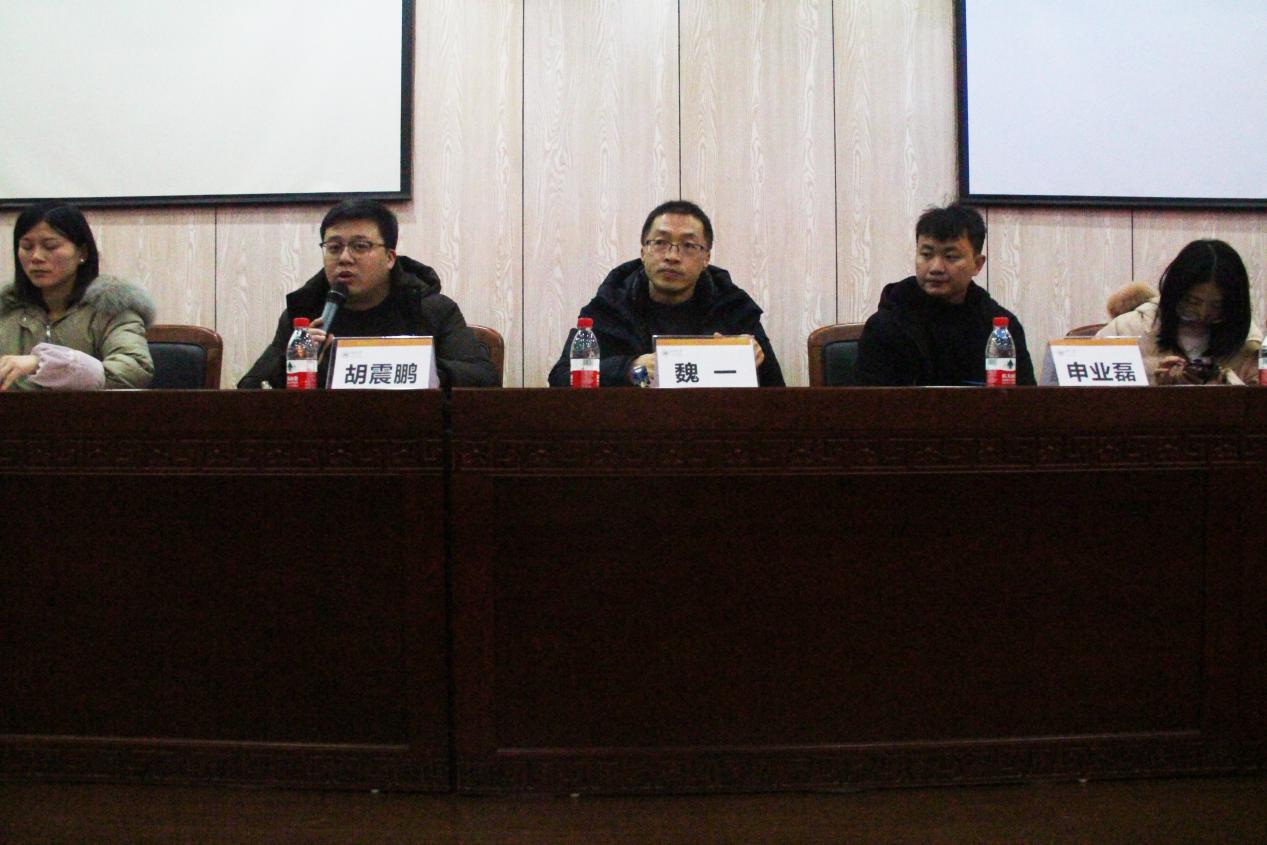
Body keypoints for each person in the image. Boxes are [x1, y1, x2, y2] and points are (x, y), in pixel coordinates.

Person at [238, 199, 496, 388]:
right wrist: (295, 364)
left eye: (360, 246)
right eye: (334, 247)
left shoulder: (430, 309)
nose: (344, 258)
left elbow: (484, 378)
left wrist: (417, 370)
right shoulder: (306, 313)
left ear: (390, 258)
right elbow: (250, 387)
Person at [547, 200, 784, 386]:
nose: (672, 256)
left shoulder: (733, 309)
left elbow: (776, 396)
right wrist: (630, 370)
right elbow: (561, 377)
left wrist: (754, 360)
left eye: (689, 245)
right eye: (660, 242)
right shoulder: (611, 305)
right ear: (643, 251)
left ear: (706, 258)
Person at [855, 204, 1035, 386]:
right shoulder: (886, 325)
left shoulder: (1000, 330)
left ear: (977, 264)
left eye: (950, 257)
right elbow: (872, 402)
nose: (936, 268)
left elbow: (1025, 400)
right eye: (927, 255)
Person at [0, 202, 154, 391]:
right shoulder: (6, 311)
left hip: (88, 410)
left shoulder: (111, 308)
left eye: (50, 246)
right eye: (26, 247)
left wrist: (45, 364)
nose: (36, 257)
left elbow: (135, 369)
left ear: (82, 252)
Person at [1097, 239, 1262, 385]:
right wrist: (1154, 385)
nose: (1203, 313)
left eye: (1217, 306)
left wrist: (1223, 387)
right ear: (1173, 293)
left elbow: (1258, 404)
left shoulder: (1250, 342)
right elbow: (1090, 396)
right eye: (1192, 301)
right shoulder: (1127, 329)